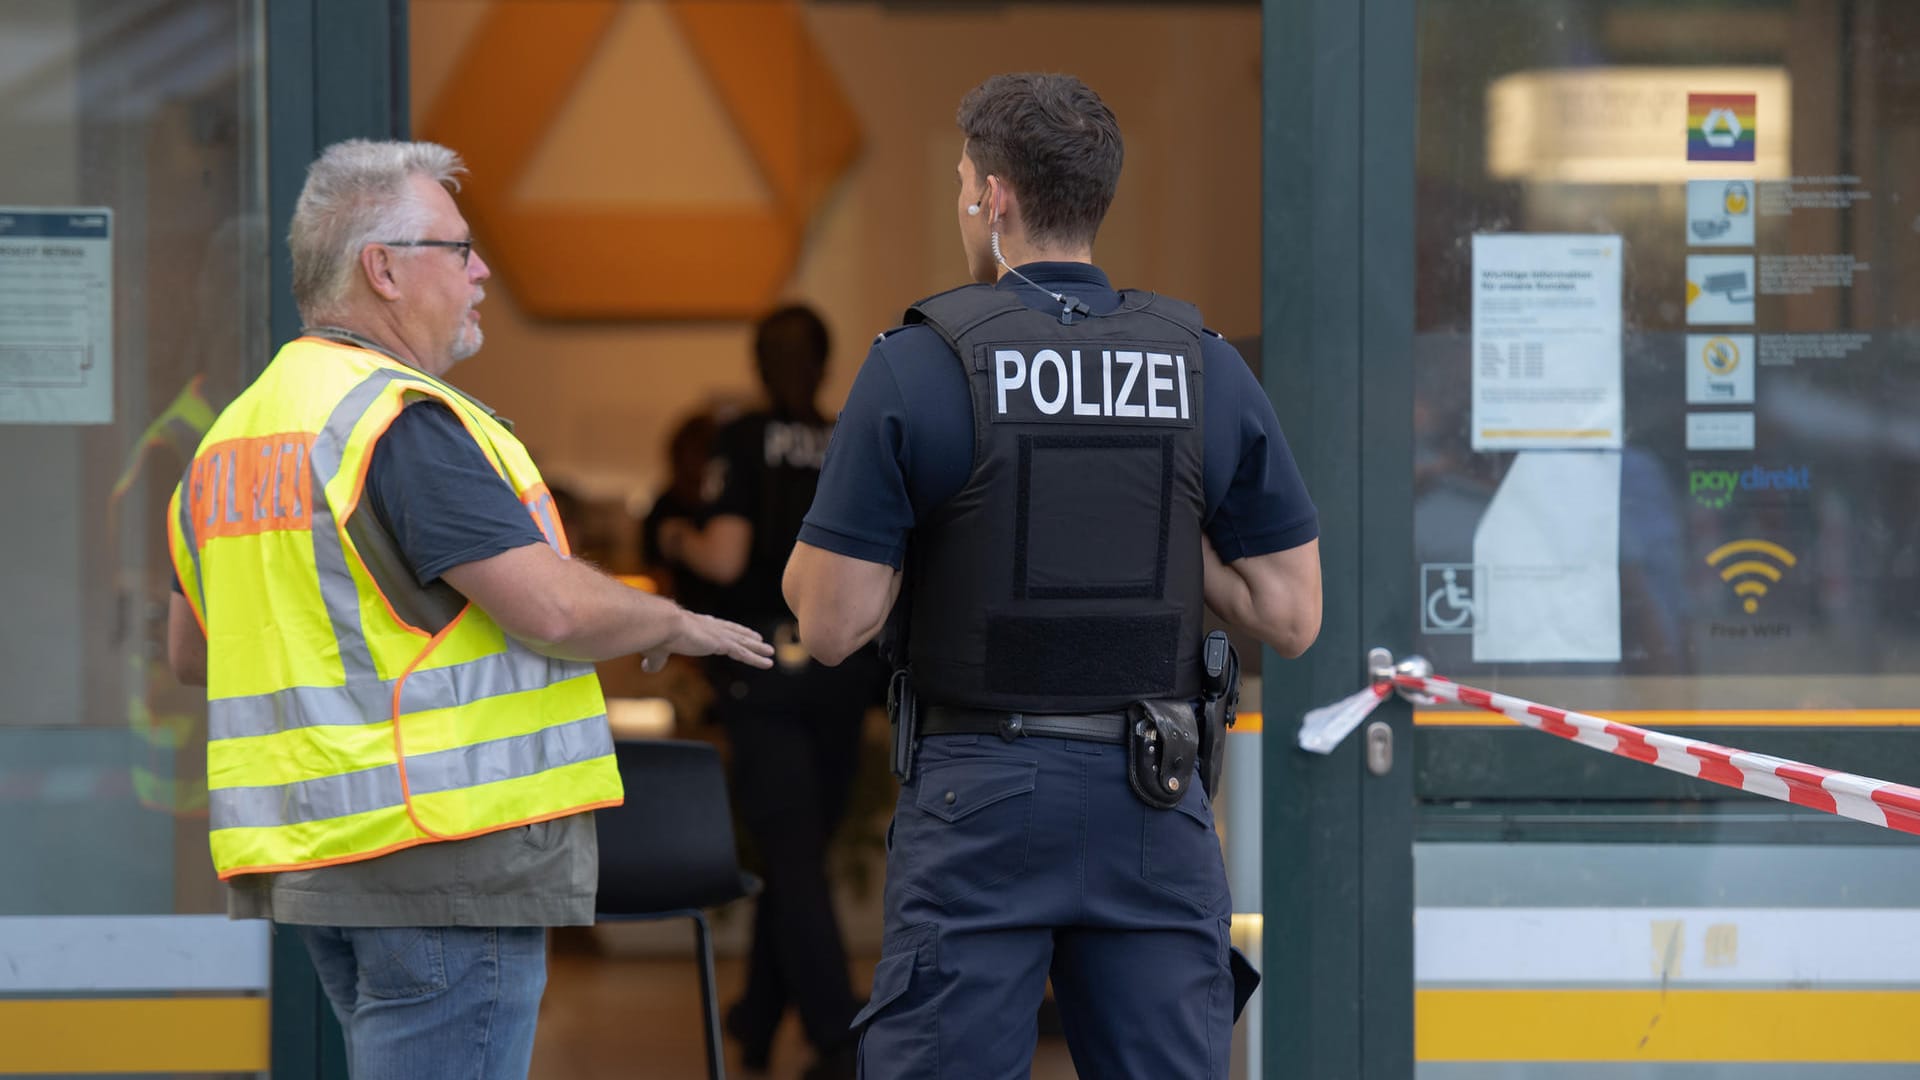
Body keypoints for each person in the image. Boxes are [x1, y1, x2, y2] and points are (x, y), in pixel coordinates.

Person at [164, 139, 773, 1080]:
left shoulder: (232, 440)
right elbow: (550, 610)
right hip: (440, 855)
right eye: (458, 248)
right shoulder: (397, 422)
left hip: (322, 857)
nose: (482, 269)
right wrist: (675, 622)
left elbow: (194, 651)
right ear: (384, 269)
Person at [782, 74, 1323, 1078]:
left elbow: (829, 624)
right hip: (1154, 796)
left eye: (959, 184)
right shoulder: (1201, 367)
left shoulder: (920, 365)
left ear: (993, 198)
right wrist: (1167, 519)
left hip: (978, 799)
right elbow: (1291, 615)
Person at [656, 305, 878, 1079]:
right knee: (801, 856)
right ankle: (755, 1017)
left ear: (757, 362)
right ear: (823, 363)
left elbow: (724, 557)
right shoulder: (851, 434)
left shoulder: (742, 438)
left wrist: (673, 534)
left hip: (763, 674)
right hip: (842, 673)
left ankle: (838, 1036)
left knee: (791, 861)